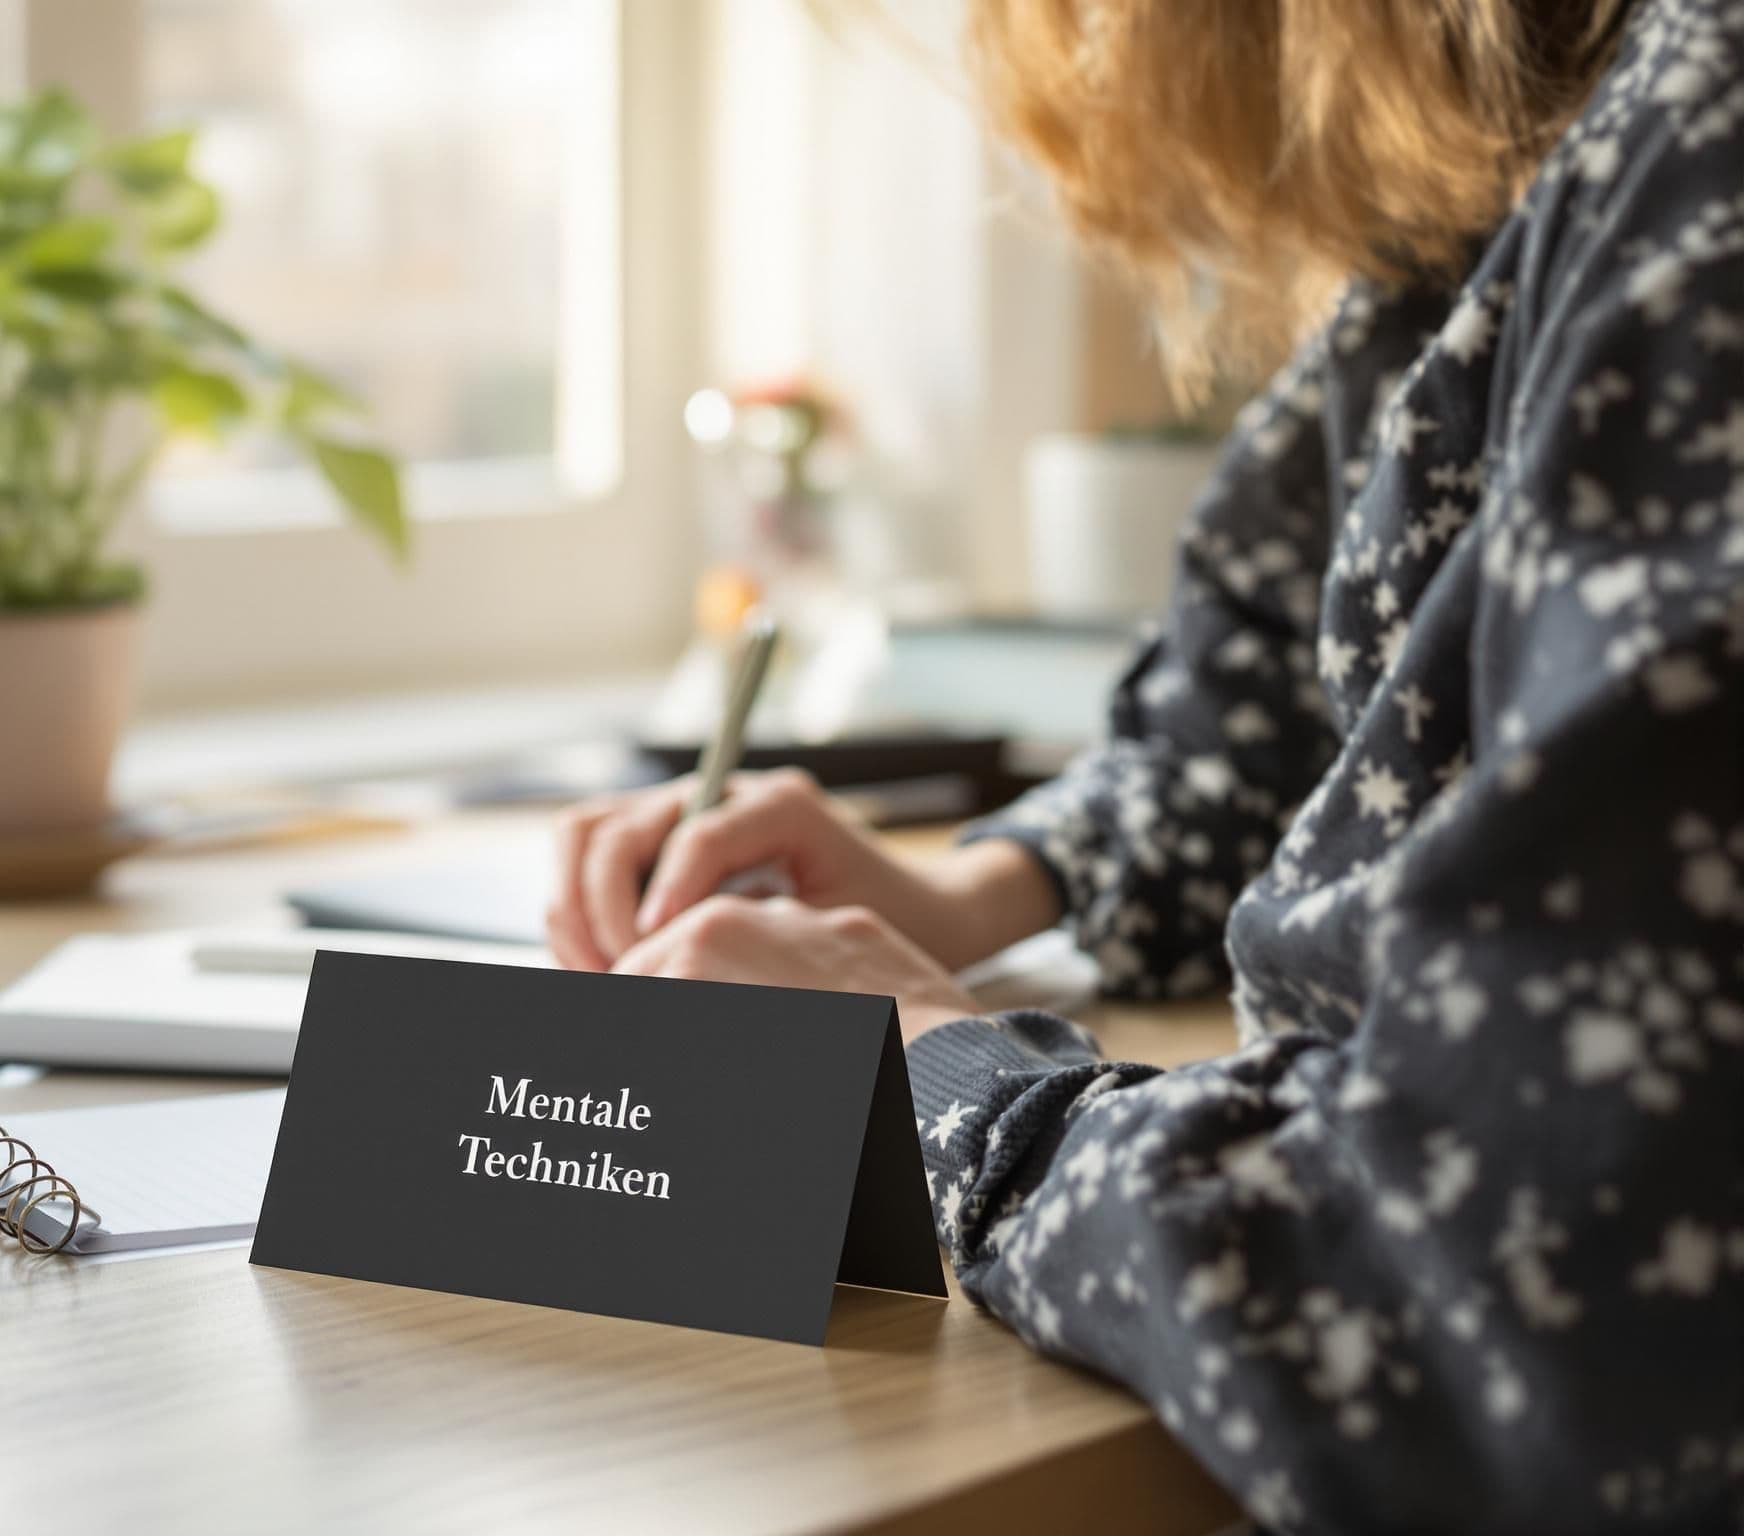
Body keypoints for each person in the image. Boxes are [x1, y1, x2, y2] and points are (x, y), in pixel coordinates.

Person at [550, 1, 1743, 1529]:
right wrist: (971, 888)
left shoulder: (1706, 132)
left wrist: (939, 1073)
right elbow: (1259, 729)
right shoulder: (1504, 162)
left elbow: (1510, 1297)